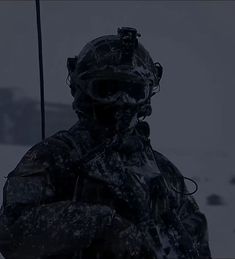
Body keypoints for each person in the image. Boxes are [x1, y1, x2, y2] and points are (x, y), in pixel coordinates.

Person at [0, 27, 212, 259]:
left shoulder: (164, 173)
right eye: (107, 89)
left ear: (147, 96)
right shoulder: (54, 158)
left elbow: (196, 241)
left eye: (133, 91)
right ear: (82, 90)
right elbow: (12, 233)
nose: (120, 102)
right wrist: (101, 223)